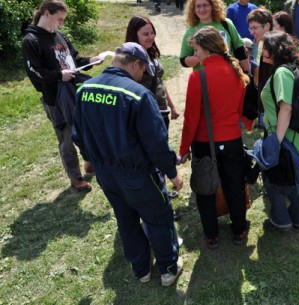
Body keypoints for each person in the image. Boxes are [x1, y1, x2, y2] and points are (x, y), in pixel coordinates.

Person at [72, 42, 184, 285]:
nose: (142, 76)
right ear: (135, 64)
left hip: (105, 173)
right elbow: (156, 143)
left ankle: (141, 270)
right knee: (158, 216)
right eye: (143, 71)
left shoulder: (84, 90)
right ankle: (168, 269)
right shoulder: (139, 95)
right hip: (138, 174)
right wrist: (172, 173)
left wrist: (88, 160)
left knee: (126, 219)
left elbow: (78, 133)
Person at [179, 26, 250, 249]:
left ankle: (212, 235)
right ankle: (239, 230)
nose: (195, 54)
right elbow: (241, 111)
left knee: (205, 188)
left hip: (204, 142)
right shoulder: (236, 69)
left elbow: (191, 118)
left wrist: (183, 149)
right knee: (235, 186)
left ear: (208, 49)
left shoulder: (199, 76)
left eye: (197, 49)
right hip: (232, 139)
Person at [22, 0, 101, 192]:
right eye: (59, 19)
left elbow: (74, 60)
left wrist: (91, 60)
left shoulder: (60, 36)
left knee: (83, 128)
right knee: (66, 139)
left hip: (74, 93)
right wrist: (59, 75)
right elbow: (34, 72)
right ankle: (75, 177)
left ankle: (89, 162)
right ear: (47, 13)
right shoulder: (31, 40)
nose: (61, 24)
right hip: (55, 99)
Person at [125, 16, 182, 220]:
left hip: (161, 113)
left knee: (161, 157)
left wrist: (172, 107)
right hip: (147, 116)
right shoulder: (130, 59)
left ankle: (163, 193)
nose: (150, 37)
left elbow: (160, 83)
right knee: (154, 159)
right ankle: (159, 202)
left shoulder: (150, 53)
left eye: (152, 32)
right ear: (135, 35)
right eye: (145, 34)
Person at [259, 31, 299, 231]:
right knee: (292, 177)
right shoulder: (293, 67)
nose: (262, 51)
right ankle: (297, 218)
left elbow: (286, 107)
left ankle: (281, 221)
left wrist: (276, 143)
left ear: (276, 50)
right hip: (296, 136)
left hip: (286, 137)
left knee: (274, 181)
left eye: (266, 47)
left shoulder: (281, 72)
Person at [180, 0, 249, 72]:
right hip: (204, 79)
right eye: (198, 6)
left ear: (213, 6)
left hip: (229, 75)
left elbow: (240, 49)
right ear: (193, 9)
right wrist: (201, 56)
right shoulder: (190, 31)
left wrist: (247, 74)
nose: (202, 9)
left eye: (205, 5)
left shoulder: (226, 24)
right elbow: (183, 61)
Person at [247, 7, 273, 127]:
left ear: (267, 26)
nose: (251, 32)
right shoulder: (262, 44)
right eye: (250, 28)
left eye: (255, 28)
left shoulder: (274, 48)